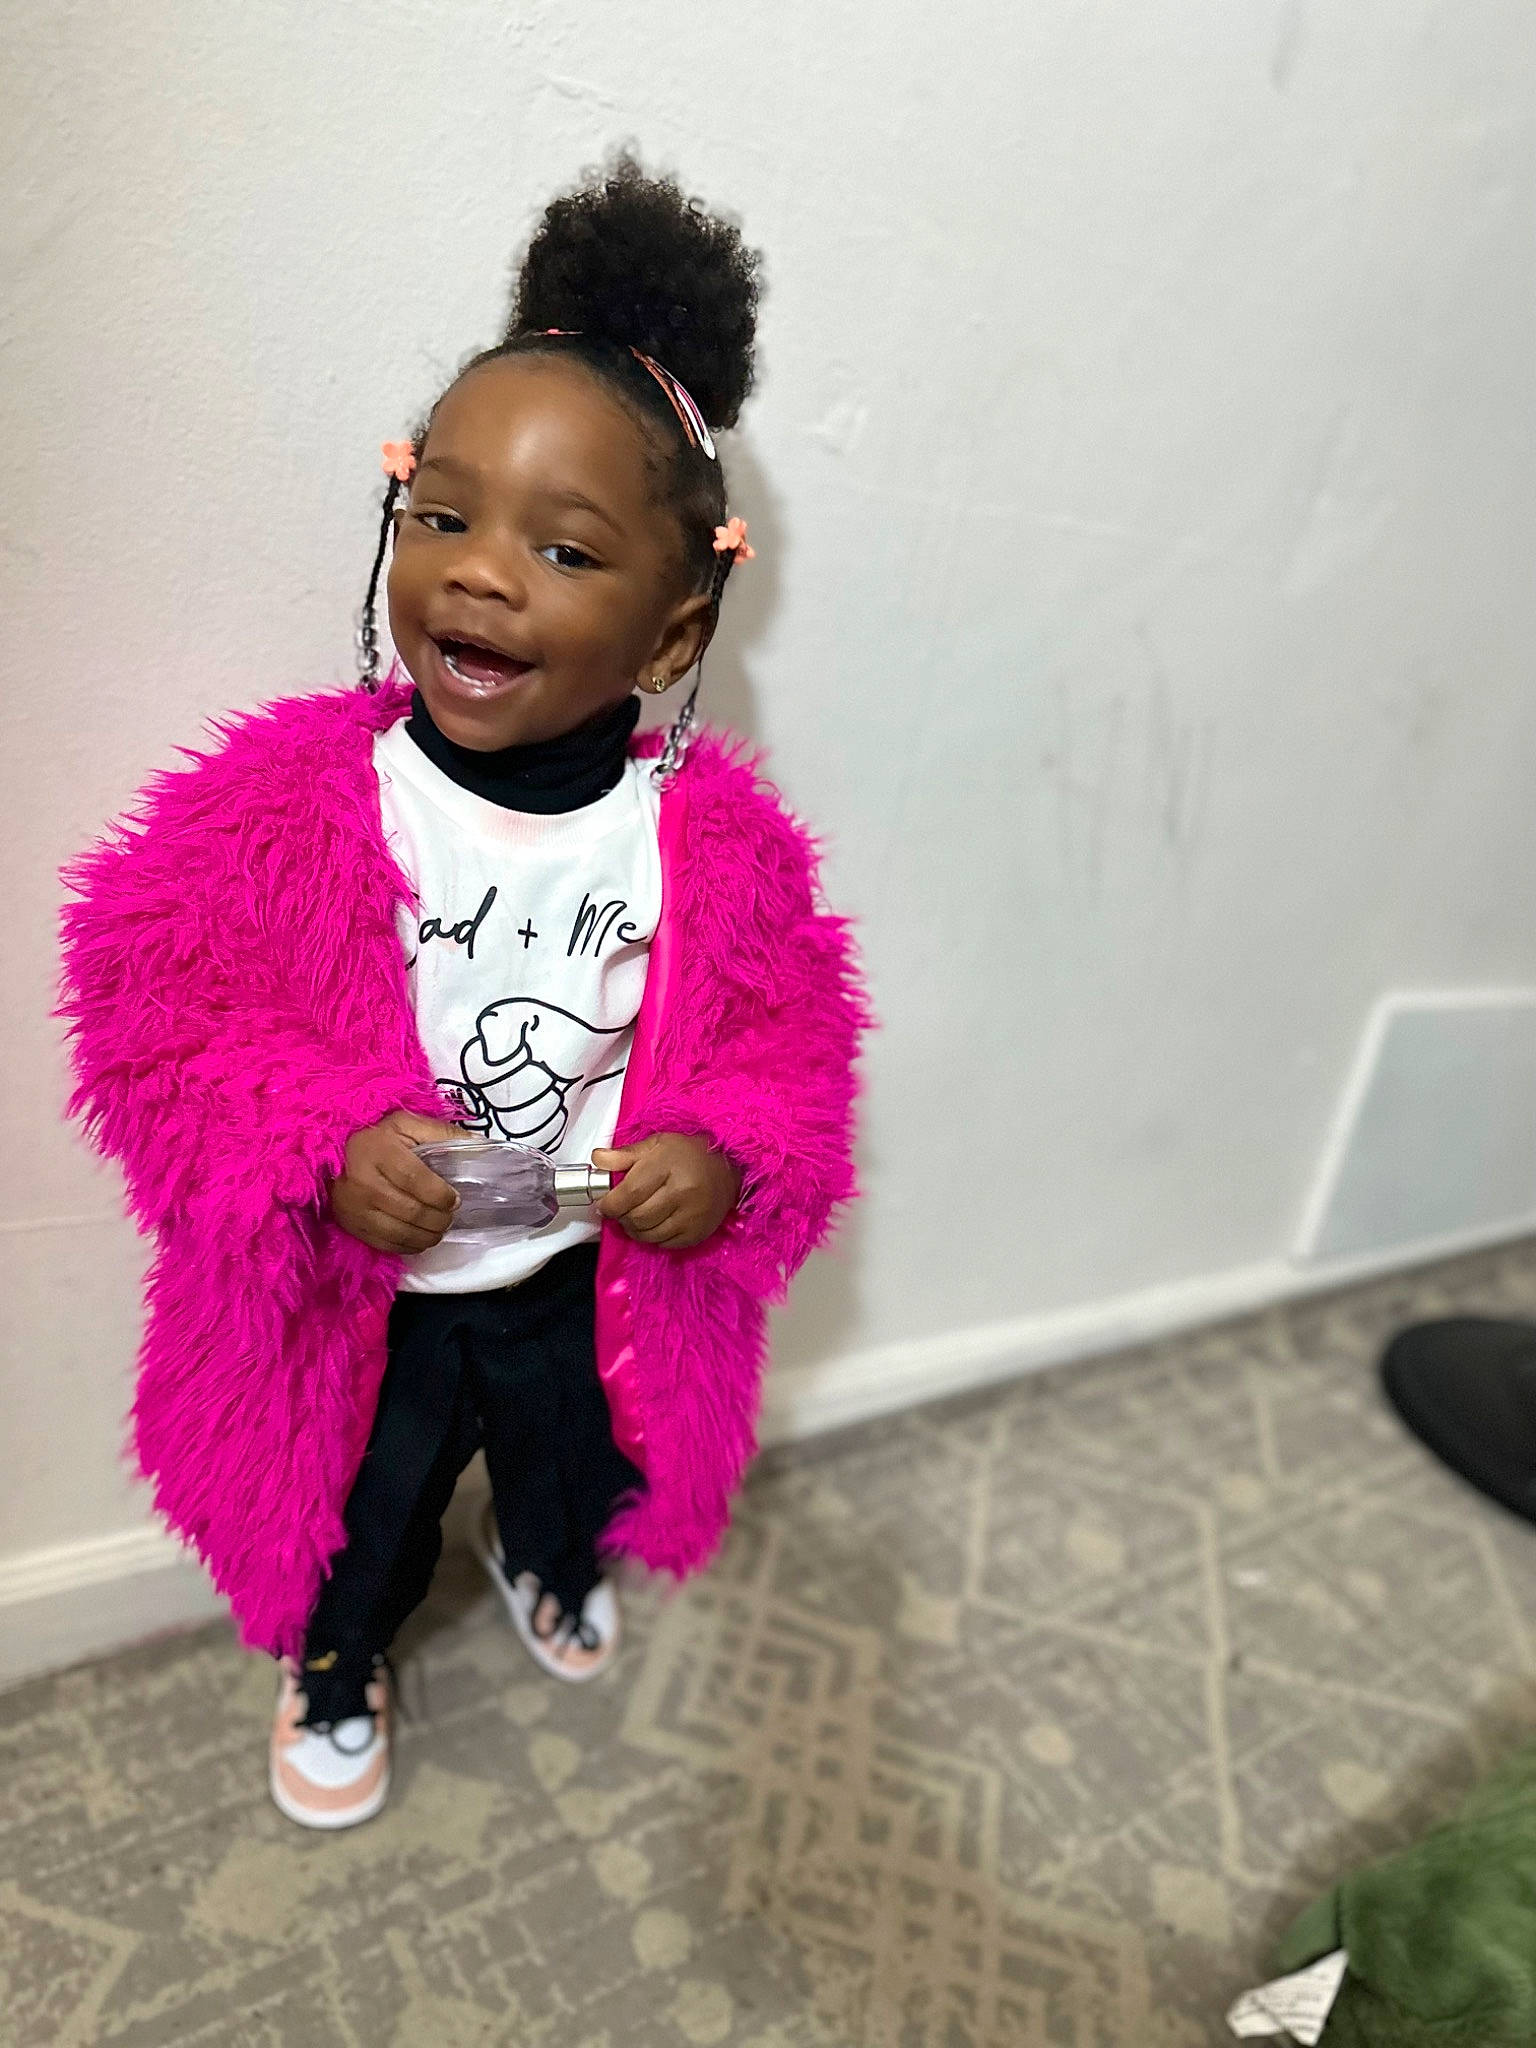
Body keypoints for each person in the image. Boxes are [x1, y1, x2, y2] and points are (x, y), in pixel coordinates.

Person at [59, 157, 867, 1830]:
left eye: (564, 549)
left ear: (669, 631)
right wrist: (315, 1136)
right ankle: (338, 1655)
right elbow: (152, 1006)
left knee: (581, 1462)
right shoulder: (300, 803)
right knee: (360, 1511)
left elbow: (794, 1049)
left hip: (586, 1264)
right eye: (445, 517)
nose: (483, 575)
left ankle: (548, 1551)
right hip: (379, 1285)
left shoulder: (712, 849)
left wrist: (721, 1149)